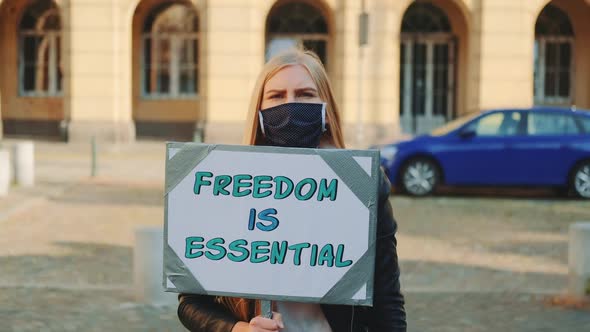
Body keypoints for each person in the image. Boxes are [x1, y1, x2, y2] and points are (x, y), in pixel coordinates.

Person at [177, 49, 406, 332]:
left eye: (305, 94)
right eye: (276, 96)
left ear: (326, 109)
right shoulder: (228, 185)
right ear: (259, 111)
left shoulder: (362, 185)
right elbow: (190, 303)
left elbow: (387, 302)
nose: (290, 105)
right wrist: (238, 329)